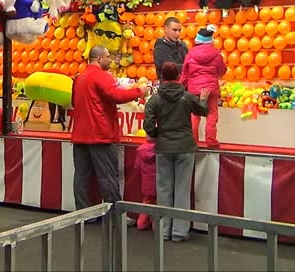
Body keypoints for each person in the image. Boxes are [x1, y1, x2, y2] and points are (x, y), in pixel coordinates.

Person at [72, 45, 147, 219]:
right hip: (100, 134)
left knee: (81, 177)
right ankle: (115, 214)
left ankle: (83, 214)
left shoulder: (79, 77)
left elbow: (75, 102)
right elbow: (117, 96)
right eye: (108, 57)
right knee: (107, 176)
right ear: (99, 59)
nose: (111, 60)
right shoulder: (101, 76)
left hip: (80, 135)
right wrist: (139, 91)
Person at [143, 61, 209, 242]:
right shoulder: (187, 97)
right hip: (185, 147)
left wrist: (159, 135)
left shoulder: (154, 99)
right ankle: (179, 232)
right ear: (179, 76)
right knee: (182, 189)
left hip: (164, 148)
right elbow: (203, 110)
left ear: (162, 76)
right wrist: (203, 98)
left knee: (163, 189)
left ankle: (164, 231)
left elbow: (147, 125)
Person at [180, 25, 226, 148]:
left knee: (195, 116)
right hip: (211, 89)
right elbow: (221, 71)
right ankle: (211, 140)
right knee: (211, 114)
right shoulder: (217, 54)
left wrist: (180, 86)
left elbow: (185, 73)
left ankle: (193, 141)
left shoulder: (190, 54)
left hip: (194, 89)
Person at [134, 137, 157, 231]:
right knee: (158, 205)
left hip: (146, 182)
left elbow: (137, 167)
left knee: (147, 203)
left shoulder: (140, 150)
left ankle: (141, 223)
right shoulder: (158, 150)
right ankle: (156, 226)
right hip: (157, 182)